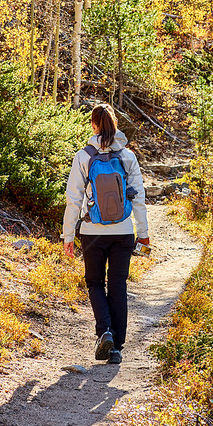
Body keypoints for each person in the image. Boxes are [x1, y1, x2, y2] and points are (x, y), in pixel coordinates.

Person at [62, 104, 149, 364]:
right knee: (118, 285)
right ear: (114, 124)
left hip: (92, 232)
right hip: (123, 232)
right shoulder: (127, 156)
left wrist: (68, 235)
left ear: (93, 125)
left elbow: (73, 200)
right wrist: (143, 234)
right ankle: (117, 349)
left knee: (95, 283)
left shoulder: (84, 156)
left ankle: (105, 332)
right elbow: (139, 198)